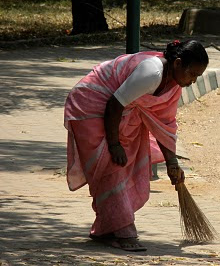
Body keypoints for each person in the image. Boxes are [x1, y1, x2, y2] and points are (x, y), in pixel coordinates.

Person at [64, 40, 209, 251]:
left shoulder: (173, 84)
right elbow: (114, 104)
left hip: (117, 112)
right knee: (112, 164)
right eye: (192, 74)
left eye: (198, 77)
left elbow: (164, 124)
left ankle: (107, 228)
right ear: (177, 64)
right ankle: (124, 232)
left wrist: (172, 163)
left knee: (121, 167)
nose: (193, 81)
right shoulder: (152, 73)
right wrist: (113, 144)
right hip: (92, 104)